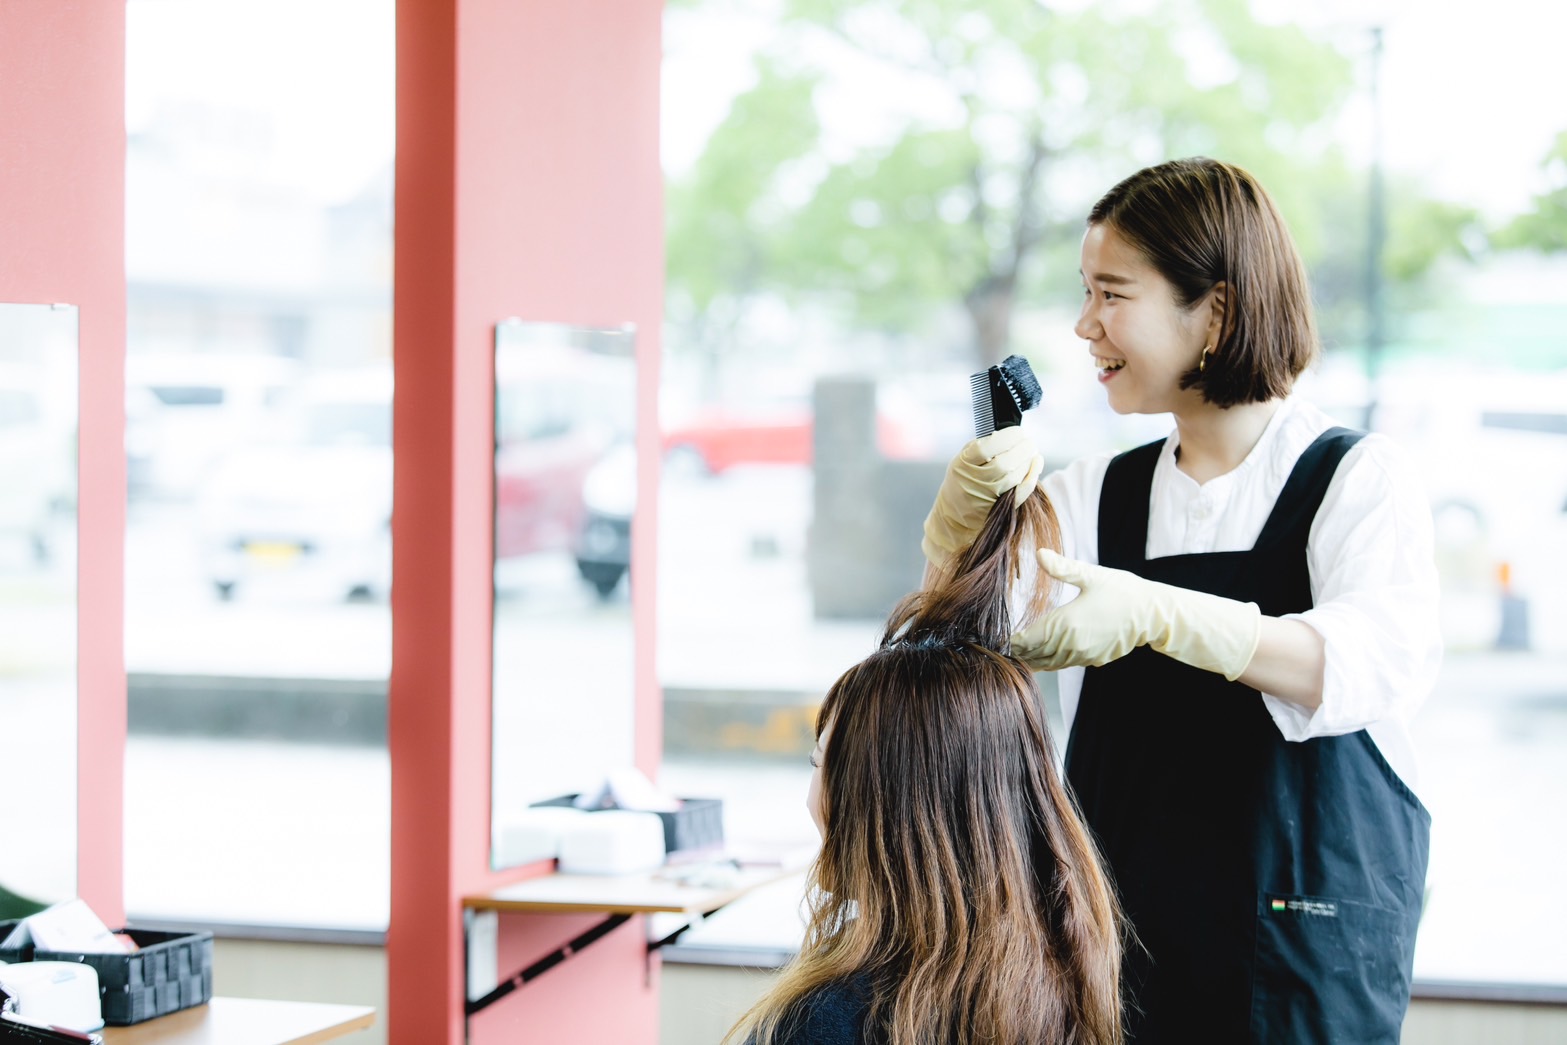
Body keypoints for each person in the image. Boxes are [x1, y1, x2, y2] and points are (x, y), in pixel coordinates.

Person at [922, 156, 1440, 1044]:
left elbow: (1367, 666)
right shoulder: (1091, 495)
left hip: (1299, 964)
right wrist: (956, 536)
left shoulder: (1355, 479)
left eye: (1111, 293)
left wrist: (1157, 613)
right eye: (1083, 291)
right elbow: (967, 636)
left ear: (1217, 311)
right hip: (1115, 960)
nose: (1084, 324)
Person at [730, 484, 1124, 1045]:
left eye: (821, 764)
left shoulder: (824, 1022)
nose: (811, 796)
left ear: (882, 802)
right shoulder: (1057, 978)